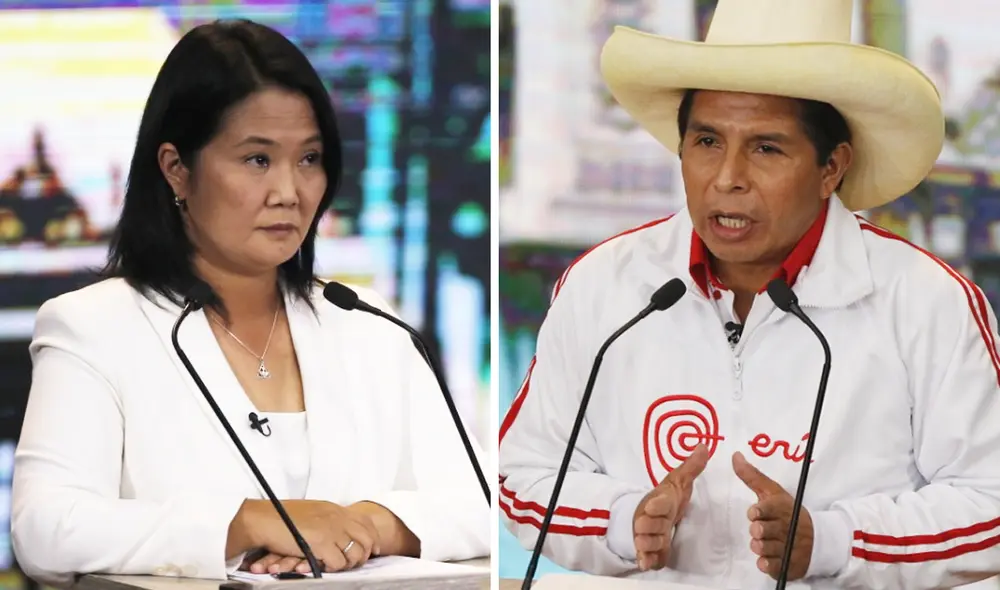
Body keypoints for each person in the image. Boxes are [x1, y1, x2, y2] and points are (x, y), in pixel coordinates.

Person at [498, 0, 1000, 588]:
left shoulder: (928, 300)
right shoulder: (602, 286)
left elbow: (989, 501)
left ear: (831, 167)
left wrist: (834, 541)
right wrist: (622, 521)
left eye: (766, 148)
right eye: (707, 141)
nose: (727, 176)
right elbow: (523, 476)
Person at [12, 19, 489, 588]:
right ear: (176, 169)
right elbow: (45, 528)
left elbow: (483, 502)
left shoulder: (367, 322)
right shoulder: (93, 326)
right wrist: (248, 523)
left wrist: (369, 525)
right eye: (257, 160)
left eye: (309, 159)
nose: (289, 191)